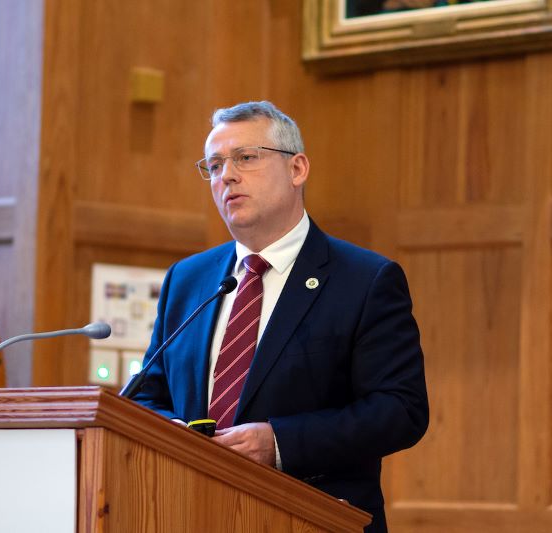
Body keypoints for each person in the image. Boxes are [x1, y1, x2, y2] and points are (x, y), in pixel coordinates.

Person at [134, 101, 428, 533]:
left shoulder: (365, 280)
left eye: (245, 158)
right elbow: (146, 395)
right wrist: (173, 436)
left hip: (313, 517)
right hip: (189, 511)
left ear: (297, 169)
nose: (226, 176)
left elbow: (400, 410)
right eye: (214, 166)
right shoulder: (188, 278)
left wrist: (280, 443)